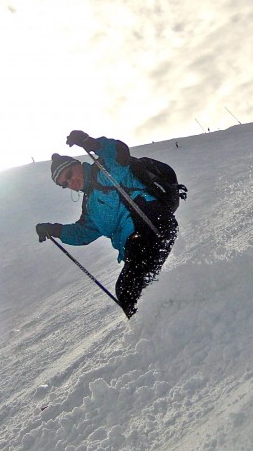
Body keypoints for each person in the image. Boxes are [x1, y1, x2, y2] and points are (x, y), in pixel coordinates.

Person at [35, 131, 178, 319]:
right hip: (135, 242)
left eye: (69, 175)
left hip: (150, 223)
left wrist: (90, 143)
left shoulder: (104, 170)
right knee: (134, 290)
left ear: (77, 164)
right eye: (64, 184)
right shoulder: (90, 206)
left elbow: (120, 153)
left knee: (128, 291)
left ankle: (168, 323)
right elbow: (83, 233)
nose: (70, 183)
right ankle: (178, 310)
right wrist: (54, 230)